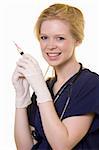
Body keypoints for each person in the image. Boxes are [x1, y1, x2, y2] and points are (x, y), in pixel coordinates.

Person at [12, 3, 99, 150]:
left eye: (60, 38)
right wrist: (21, 98)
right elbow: (25, 147)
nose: (50, 46)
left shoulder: (91, 84)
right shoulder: (46, 87)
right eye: (44, 37)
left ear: (77, 40)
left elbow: (62, 145)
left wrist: (40, 89)